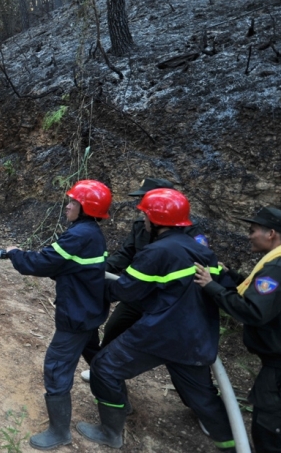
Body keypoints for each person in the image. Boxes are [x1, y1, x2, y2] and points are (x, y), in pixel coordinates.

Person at [76, 189, 236, 451]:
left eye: (145, 216)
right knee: (204, 396)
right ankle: (232, 445)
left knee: (103, 368)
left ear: (154, 220)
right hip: (197, 338)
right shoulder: (203, 252)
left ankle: (110, 431)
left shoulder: (156, 252)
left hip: (161, 333)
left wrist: (89, 283)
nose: (144, 221)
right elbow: (219, 288)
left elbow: (125, 290)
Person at [194, 206, 281, 453]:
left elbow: (253, 311)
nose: (249, 236)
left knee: (274, 435)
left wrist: (210, 286)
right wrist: (234, 278)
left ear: (271, 233)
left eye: (252, 231)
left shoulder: (279, 268)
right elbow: (271, 300)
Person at [4, 180, 111, 450]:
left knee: (56, 367)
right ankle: (118, 409)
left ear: (85, 208)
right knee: (99, 361)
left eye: (73, 202)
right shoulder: (92, 232)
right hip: (90, 310)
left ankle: (59, 432)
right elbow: (67, 266)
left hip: (75, 315)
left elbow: (43, 263)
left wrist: (16, 254)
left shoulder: (79, 235)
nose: (68, 205)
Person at [80, 177, 208, 383]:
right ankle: (103, 372)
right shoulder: (141, 225)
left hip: (168, 302)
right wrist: (97, 272)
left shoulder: (190, 235)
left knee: (175, 355)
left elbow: (199, 270)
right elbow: (125, 253)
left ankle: (199, 401)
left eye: (146, 199)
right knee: (114, 327)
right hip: (138, 292)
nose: (141, 207)